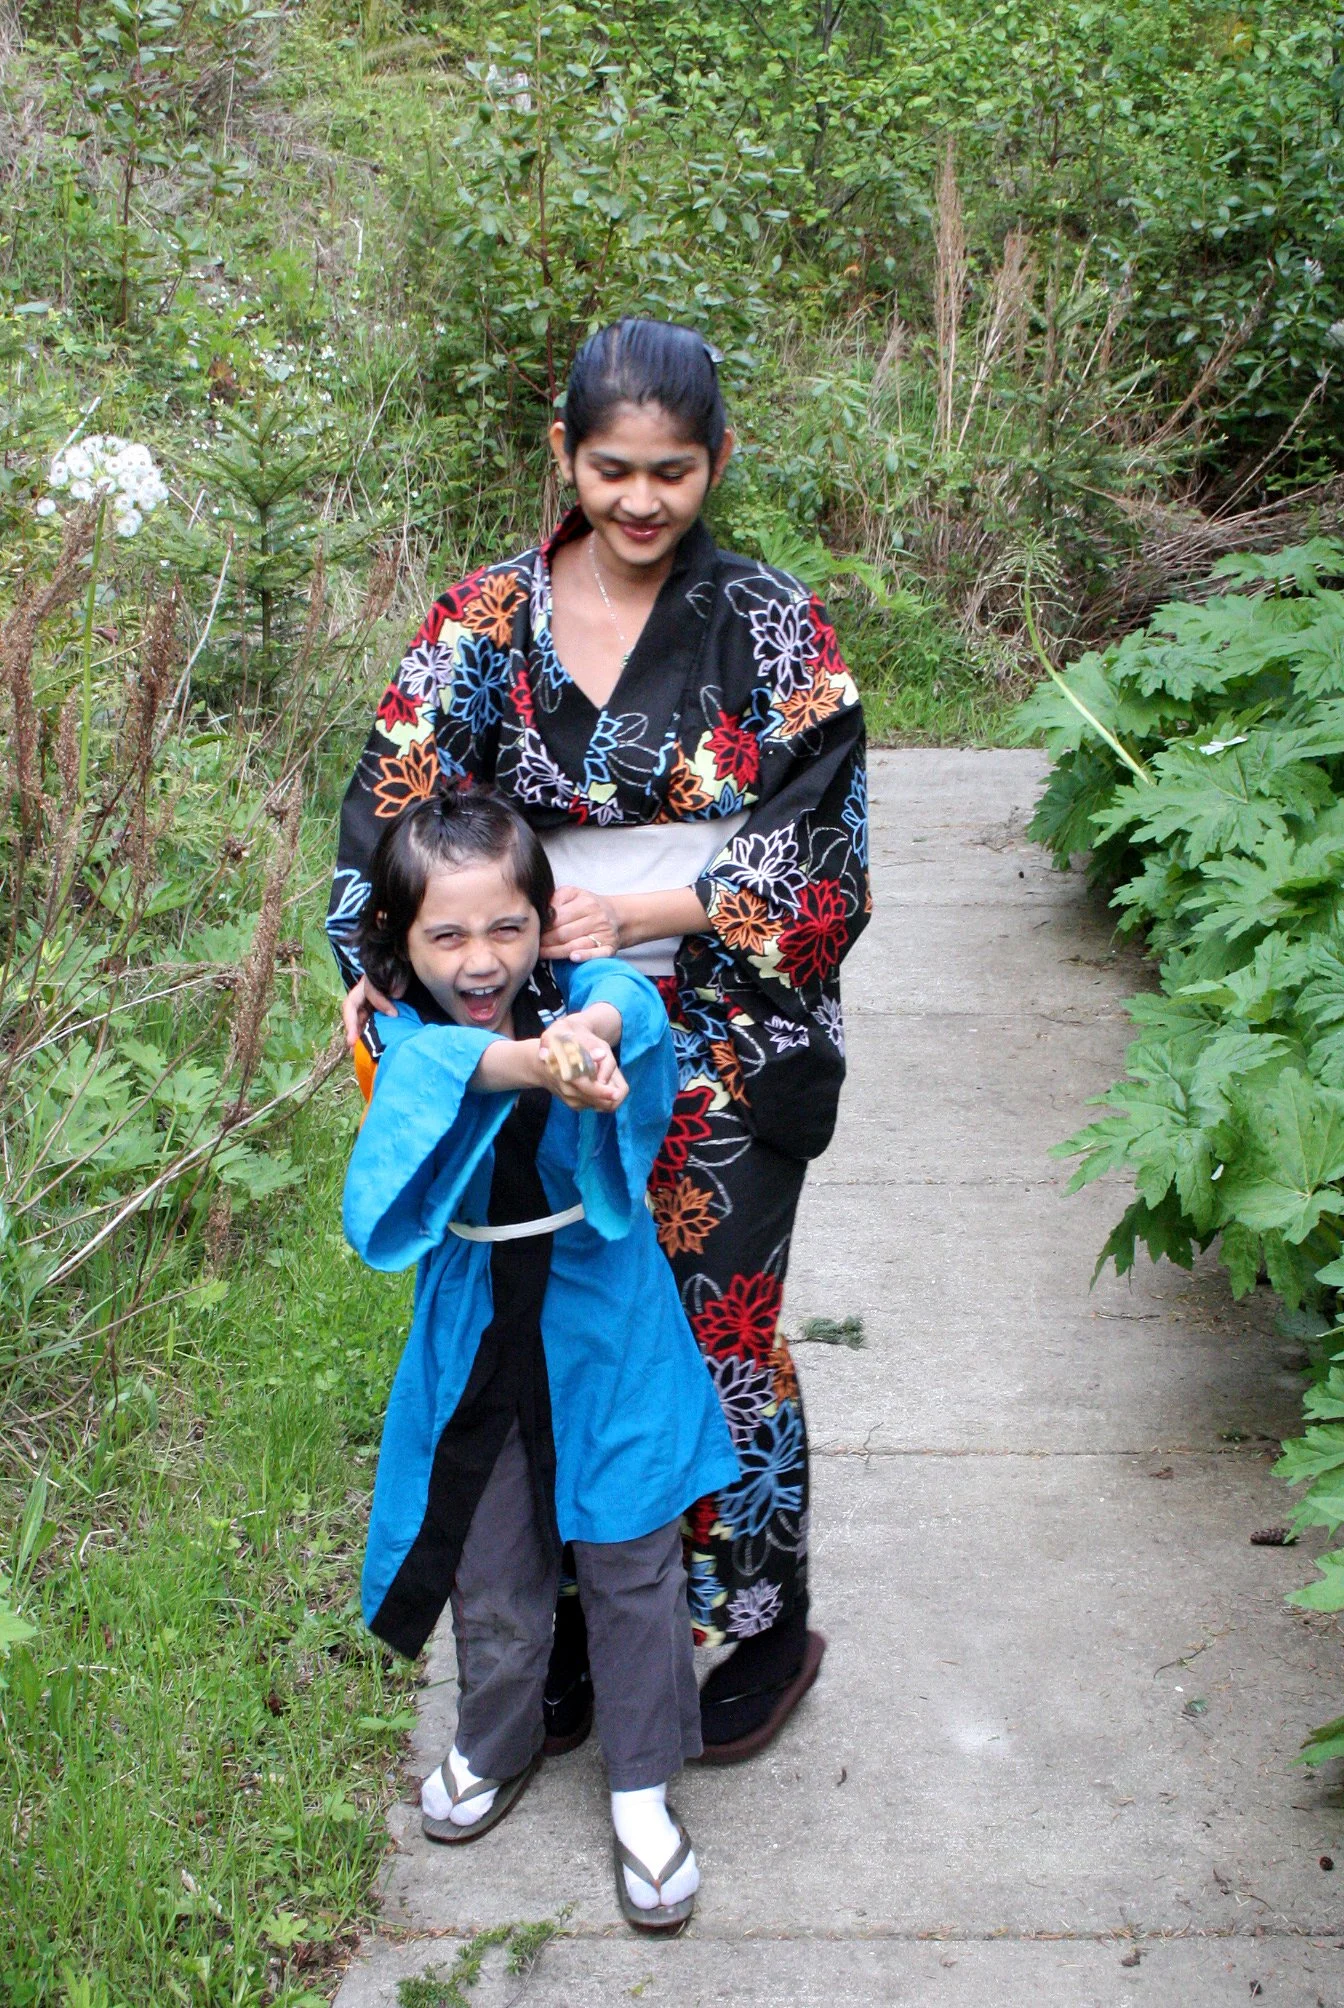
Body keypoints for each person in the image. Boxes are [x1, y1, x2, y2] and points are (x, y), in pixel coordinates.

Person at [330, 316, 870, 1763]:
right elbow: (389, 809)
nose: (643, 502)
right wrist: (377, 966)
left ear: (716, 465)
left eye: (674, 474)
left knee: (714, 1328)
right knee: (545, 1323)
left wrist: (642, 902)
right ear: (567, 457)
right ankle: (577, 1626)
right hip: (529, 1026)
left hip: (731, 1033)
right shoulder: (477, 622)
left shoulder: (774, 623)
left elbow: (827, 858)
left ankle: (757, 1616)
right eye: (615, 469)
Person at [344, 785, 739, 1932]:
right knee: (492, 1555)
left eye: (507, 927)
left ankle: (643, 1780)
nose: (480, 959)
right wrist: (541, 1065)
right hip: (478, 1320)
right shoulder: (396, 1028)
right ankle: (496, 1737)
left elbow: (627, 1002)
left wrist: (592, 1035)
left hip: (602, 1316)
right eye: (447, 934)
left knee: (630, 1553)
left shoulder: (582, 998)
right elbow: (432, 1082)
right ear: (399, 941)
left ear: (546, 917)